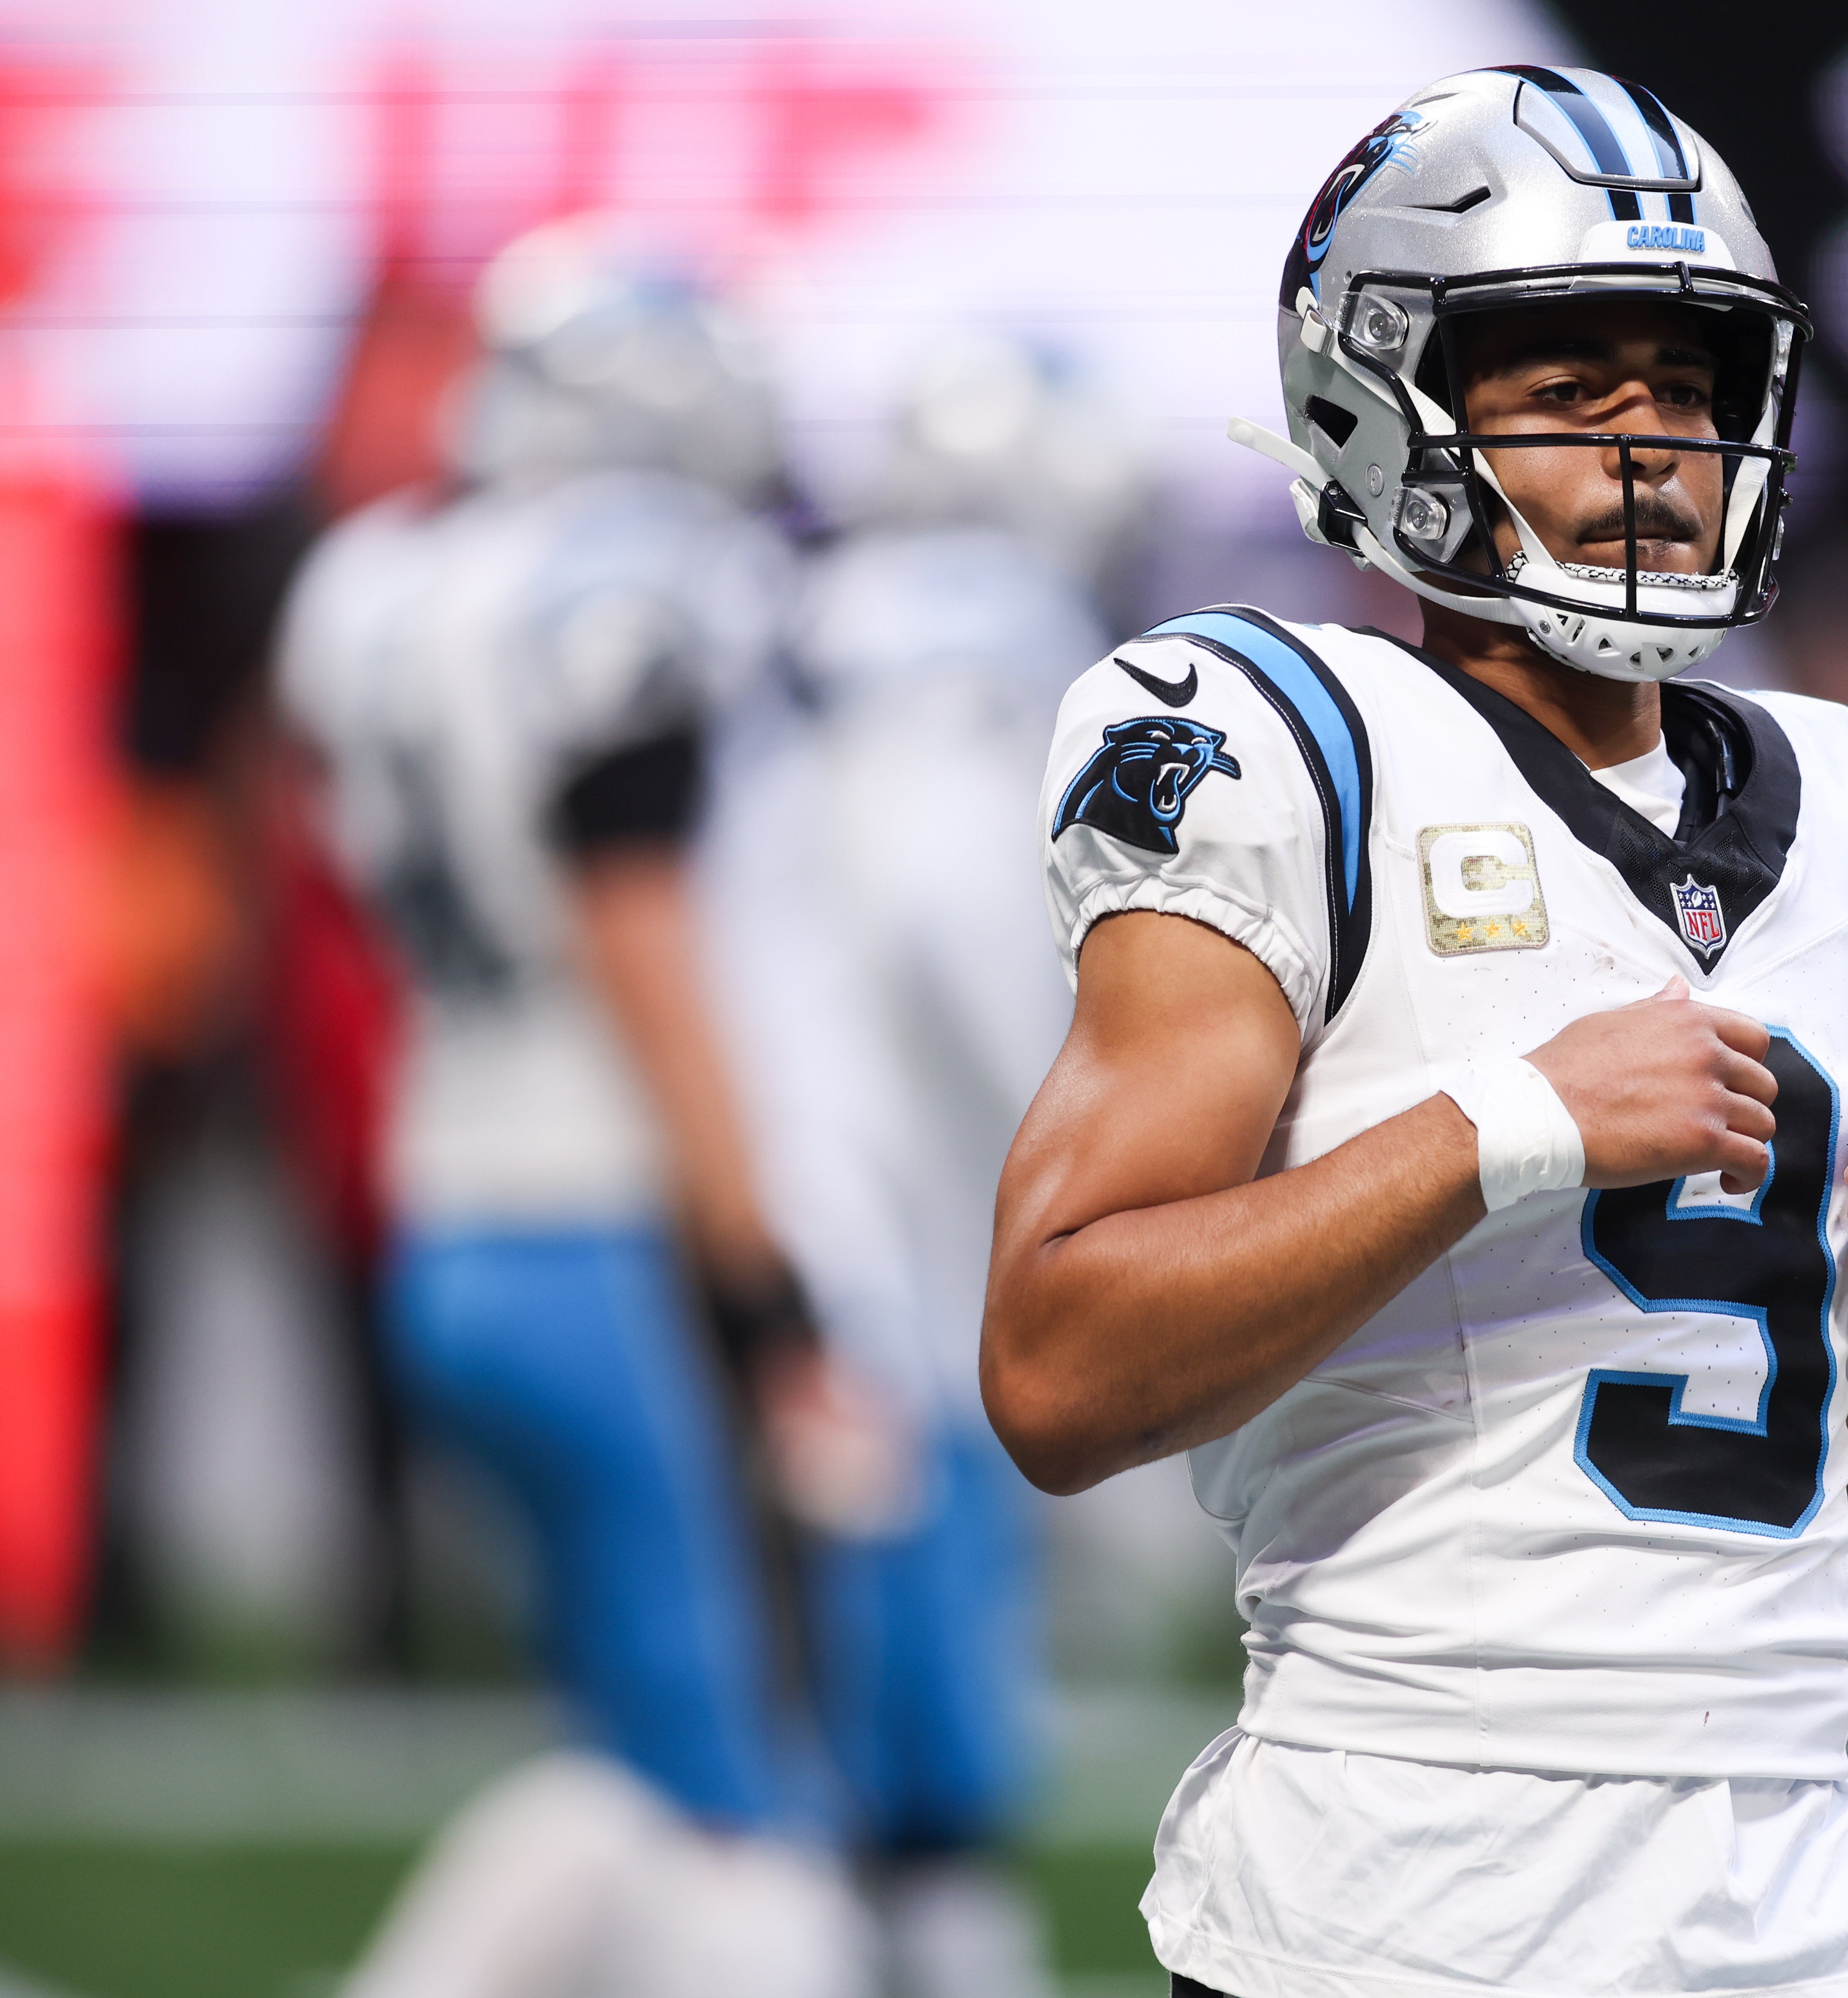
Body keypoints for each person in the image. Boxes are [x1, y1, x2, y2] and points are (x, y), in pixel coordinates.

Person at [979, 66, 1848, 1998]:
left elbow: (1767, 1472)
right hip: (1410, 1884)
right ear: (1385, 405)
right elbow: (1053, 1370)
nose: (1653, 443)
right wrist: (1504, 1127)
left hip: (1798, 1880)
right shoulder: (1276, 738)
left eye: (1688, 385)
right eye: (1568, 389)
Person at [281, 216, 885, 1998]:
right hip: (607, 1221)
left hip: (450, 1209)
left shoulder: (376, 579)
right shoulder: (619, 585)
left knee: (632, 1756)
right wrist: (764, 1277)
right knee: (733, 1797)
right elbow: (641, 941)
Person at [703, 331, 1126, 1998]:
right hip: (920, 1201)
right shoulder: (996, 631)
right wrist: (1091, 1104)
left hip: (790, 1161)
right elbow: (953, 913)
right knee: (927, 1715)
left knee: (824, 1651)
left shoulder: (812, 608)